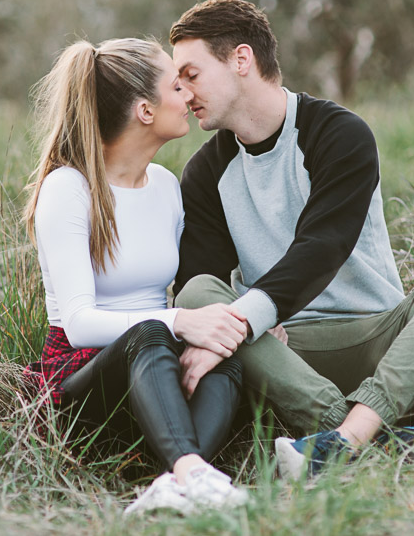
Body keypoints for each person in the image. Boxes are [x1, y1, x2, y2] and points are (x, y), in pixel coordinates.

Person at [167, 0, 414, 477]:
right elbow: (202, 283)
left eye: (191, 75)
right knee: (198, 295)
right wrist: (251, 326)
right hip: (284, 356)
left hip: (380, 339)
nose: (182, 93)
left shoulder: (338, 133)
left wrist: (248, 316)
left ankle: (345, 437)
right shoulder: (205, 174)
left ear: (241, 59)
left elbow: (322, 248)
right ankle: (369, 438)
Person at [23, 37, 250, 513]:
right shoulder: (69, 189)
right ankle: (193, 473)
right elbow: (80, 322)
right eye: (176, 85)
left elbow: (196, 283)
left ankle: (175, 481)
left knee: (222, 350)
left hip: (156, 373)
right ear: (146, 110)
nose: (189, 94)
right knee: (151, 330)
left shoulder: (167, 186)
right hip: (80, 384)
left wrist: (233, 320)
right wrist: (178, 322)